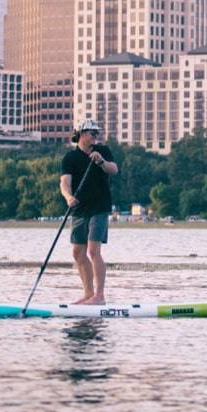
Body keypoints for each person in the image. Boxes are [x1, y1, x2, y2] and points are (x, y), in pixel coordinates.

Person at [60, 118, 118, 305]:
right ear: (82, 134)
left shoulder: (102, 151)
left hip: (99, 207)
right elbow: (65, 183)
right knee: (78, 252)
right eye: (93, 133)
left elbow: (113, 170)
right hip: (79, 209)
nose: (96, 137)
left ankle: (99, 296)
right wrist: (68, 197)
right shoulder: (70, 157)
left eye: (97, 133)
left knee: (94, 251)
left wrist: (100, 161)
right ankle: (88, 293)